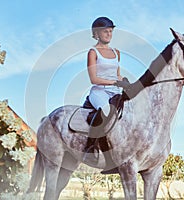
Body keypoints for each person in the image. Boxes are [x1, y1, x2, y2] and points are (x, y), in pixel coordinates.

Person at [83, 16, 129, 174]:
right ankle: (92, 148)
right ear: (97, 33)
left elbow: (117, 75)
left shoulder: (116, 52)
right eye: (105, 31)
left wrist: (125, 81)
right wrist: (114, 83)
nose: (109, 34)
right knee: (106, 111)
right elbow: (93, 79)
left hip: (115, 91)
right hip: (99, 92)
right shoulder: (93, 52)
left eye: (111, 31)